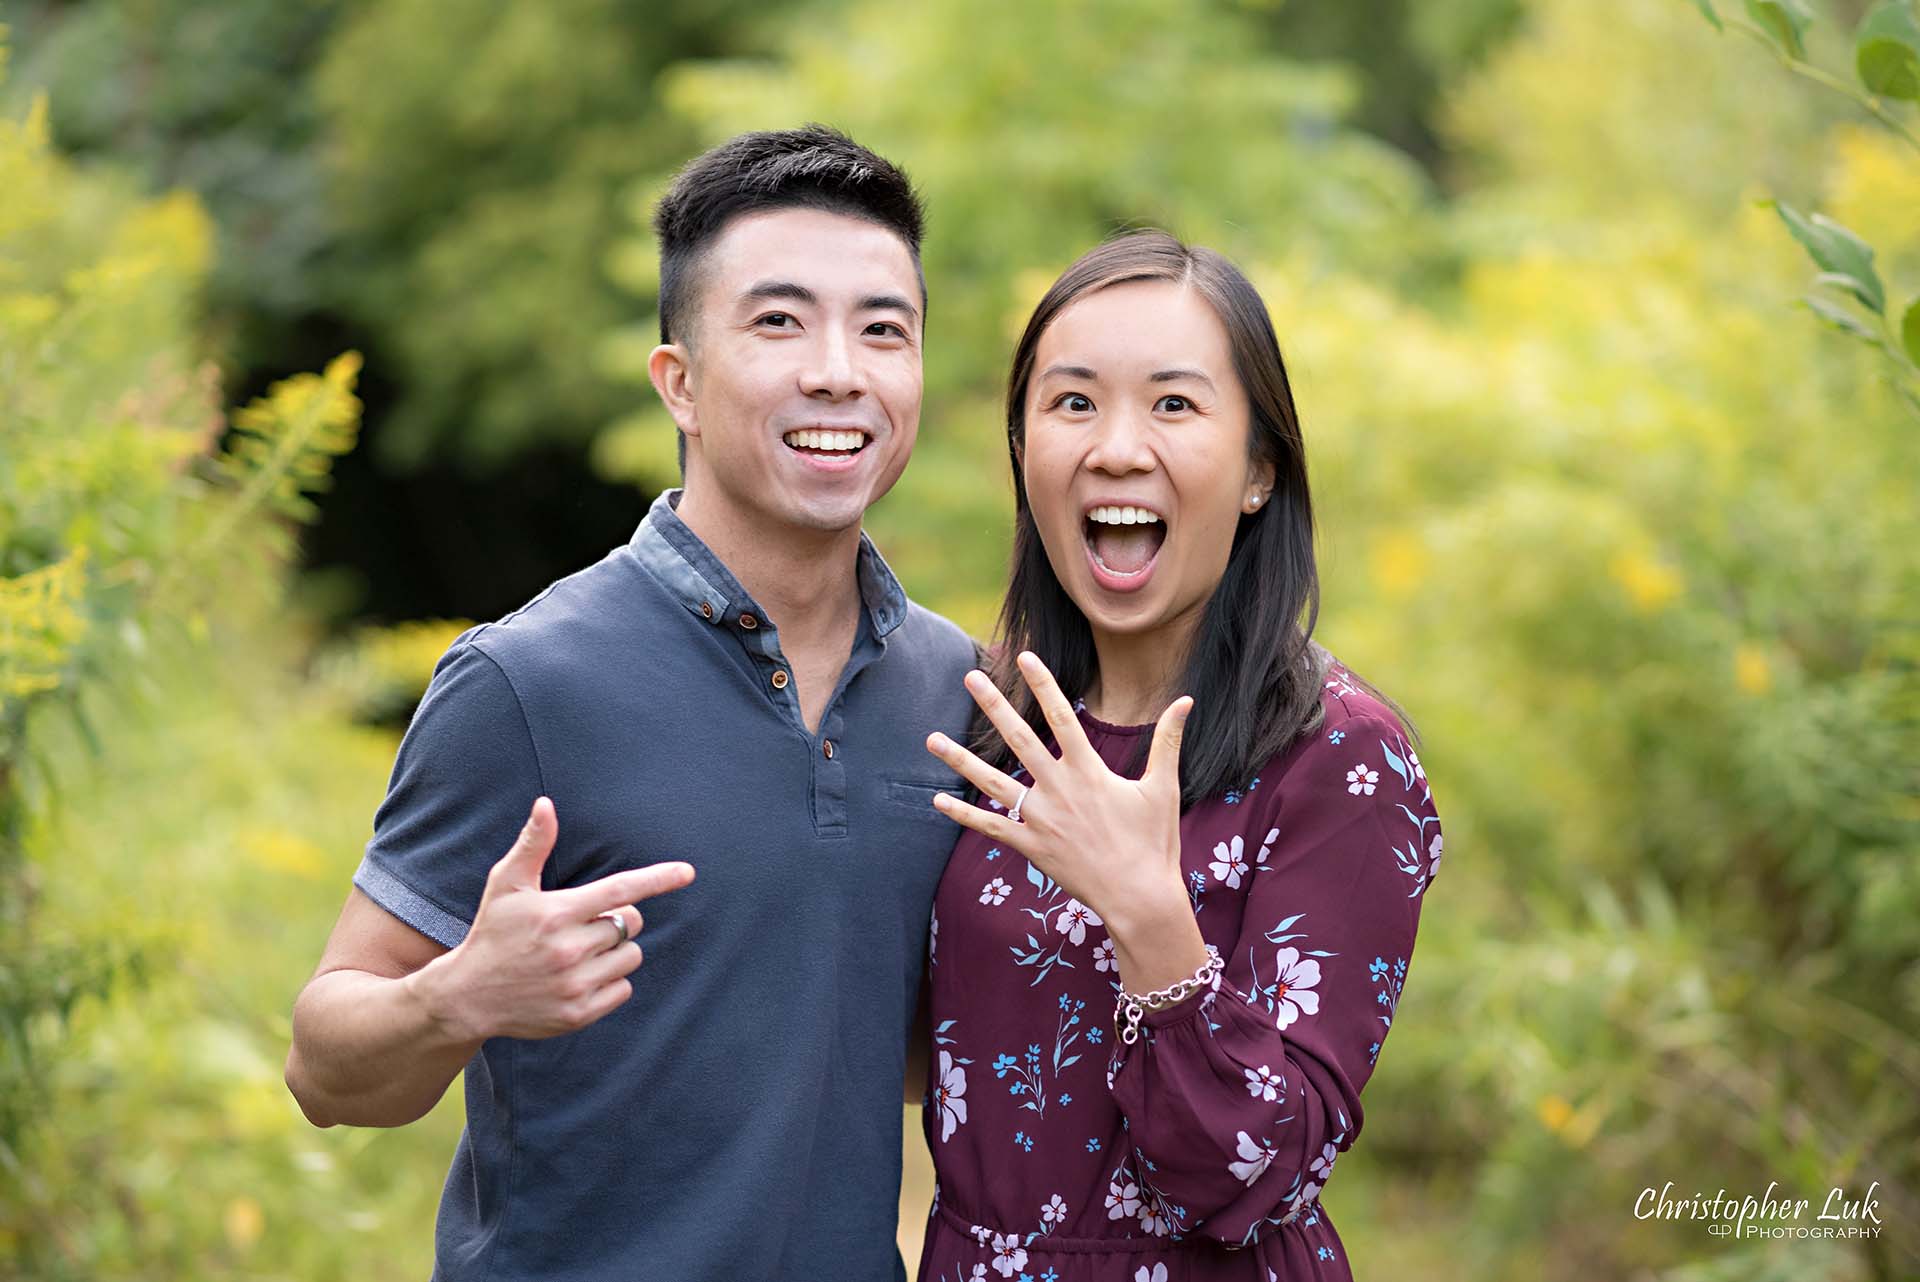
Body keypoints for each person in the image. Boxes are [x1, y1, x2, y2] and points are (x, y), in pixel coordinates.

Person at [283, 125, 980, 1282]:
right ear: (681, 384)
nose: (838, 371)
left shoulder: (956, 697)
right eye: (778, 321)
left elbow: (895, 1044)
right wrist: (462, 995)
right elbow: (325, 1070)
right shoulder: (527, 682)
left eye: (883, 330)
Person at [912, 230, 1444, 1281]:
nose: (1115, 447)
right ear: (1024, 454)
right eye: (1072, 404)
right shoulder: (994, 719)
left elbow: (1264, 1172)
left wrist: (1152, 921)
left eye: (1173, 404)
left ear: (1258, 470)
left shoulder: (1340, 760)